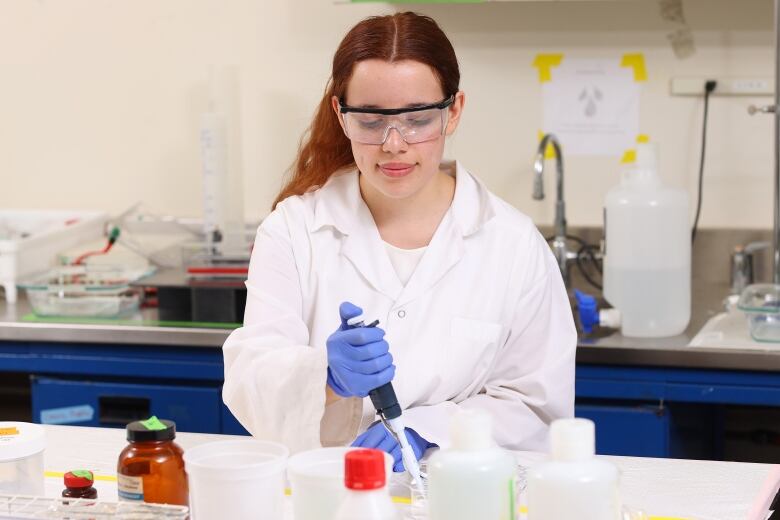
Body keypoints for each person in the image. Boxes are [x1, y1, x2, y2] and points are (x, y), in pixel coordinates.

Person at [222, 11, 576, 472]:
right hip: (327, 494)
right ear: (340, 116)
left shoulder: (512, 243)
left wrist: (427, 432)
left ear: (454, 112)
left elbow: (537, 406)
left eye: (417, 119)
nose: (393, 144)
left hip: (458, 495)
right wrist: (325, 380)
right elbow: (250, 378)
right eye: (370, 121)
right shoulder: (293, 230)